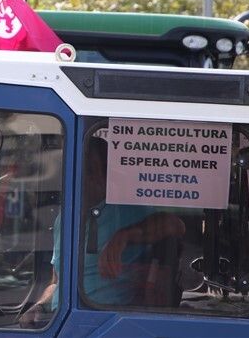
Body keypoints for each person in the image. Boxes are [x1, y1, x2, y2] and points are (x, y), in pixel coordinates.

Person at [19, 136, 185, 328]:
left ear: (106, 176)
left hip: (104, 322)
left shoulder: (125, 211)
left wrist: (124, 236)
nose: (83, 179)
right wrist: (39, 306)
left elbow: (176, 225)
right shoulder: (63, 219)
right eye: (76, 171)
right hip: (59, 321)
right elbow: (56, 282)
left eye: (90, 171)